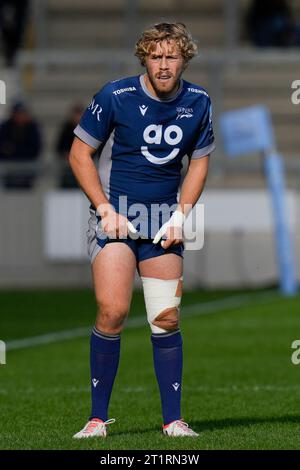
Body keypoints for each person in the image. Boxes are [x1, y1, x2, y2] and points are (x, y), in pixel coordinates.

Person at [69, 22, 215, 438]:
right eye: (156, 56)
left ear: (184, 57)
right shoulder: (115, 95)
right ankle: (97, 419)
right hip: (117, 216)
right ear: (143, 57)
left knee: (165, 320)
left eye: (171, 56)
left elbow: (199, 162)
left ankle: (173, 420)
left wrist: (181, 216)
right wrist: (104, 208)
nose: (164, 65)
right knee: (113, 312)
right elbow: (80, 154)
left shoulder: (200, 101)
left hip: (163, 222)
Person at [0, 101, 42, 189]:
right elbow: (3, 148)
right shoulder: (5, 127)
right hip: (9, 170)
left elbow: (35, 149)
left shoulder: (32, 128)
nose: (20, 117)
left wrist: (13, 150)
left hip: (27, 170)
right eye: (18, 113)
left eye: (22, 113)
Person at [55, 104, 84, 188]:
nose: (77, 118)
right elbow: (59, 147)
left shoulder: (88, 130)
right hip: (67, 167)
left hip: (83, 168)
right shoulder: (66, 129)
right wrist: (66, 154)